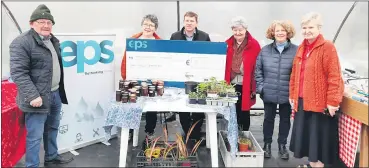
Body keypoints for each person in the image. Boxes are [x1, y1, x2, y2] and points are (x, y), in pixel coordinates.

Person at [9, 4, 73, 167]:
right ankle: (32, 165)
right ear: (32, 23)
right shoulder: (21, 43)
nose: (46, 25)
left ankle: (51, 156)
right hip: (36, 98)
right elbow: (18, 73)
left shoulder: (53, 40)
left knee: (52, 128)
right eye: (41, 22)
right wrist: (33, 95)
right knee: (34, 136)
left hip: (54, 94)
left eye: (49, 22)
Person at [288, 12, 344, 168]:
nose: (307, 31)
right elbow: (294, 74)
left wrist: (333, 102)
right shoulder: (301, 48)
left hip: (319, 105)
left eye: (311, 27)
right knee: (308, 141)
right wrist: (292, 94)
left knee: (317, 142)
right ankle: (313, 164)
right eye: (304, 28)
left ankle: (317, 165)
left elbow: (335, 77)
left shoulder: (327, 47)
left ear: (319, 28)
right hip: (302, 101)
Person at [254, 20, 298, 160]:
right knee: (268, 119)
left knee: (285, 120)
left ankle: (282, 146)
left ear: (288, 33)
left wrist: (294, 91)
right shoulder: (265, 50)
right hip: (269, 91)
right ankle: (267, 145)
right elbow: (258, 70)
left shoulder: (296, 51)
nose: (280, 33)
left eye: (283, 30)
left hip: (287, 93)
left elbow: (299, 72)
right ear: (272, 33)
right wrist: (262, 88)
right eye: (277, 30)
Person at [169, 11, 211, 143]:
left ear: (196, 23)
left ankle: (196, 132)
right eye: (187, 20)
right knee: (182, 105)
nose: (189, 23)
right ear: (184, 22)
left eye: (192, 21)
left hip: (199, 77)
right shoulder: (175, 36)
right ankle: (187, 131)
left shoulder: (204, 36)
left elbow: (210, 56)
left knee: (199, 105)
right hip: (181, 76)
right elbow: (170, 56)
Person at [120, 14, 161, 140]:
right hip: (134, 79)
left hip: (151, 80)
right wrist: (125, 76)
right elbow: (126, 59)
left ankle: (150, 131)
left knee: (151, 108)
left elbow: (162, 63)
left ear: (155, 28)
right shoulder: (133, 40)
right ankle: (130, 131)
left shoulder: (159, 43)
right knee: (132, 105)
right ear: (142, 25)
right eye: (146, 24)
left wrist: (159, 77)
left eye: (151, 25)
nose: (148, 27)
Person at [224, 16, 261, 132]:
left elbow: (257, 67)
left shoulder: (254, 44)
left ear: (245, 29)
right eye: (235, 30)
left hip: (246, 83)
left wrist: (254, 87)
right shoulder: (227, 44)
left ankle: (244, 134)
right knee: (231, 109)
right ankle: (231, 134)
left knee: (244, 110)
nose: (238, 32)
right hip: (230, 83)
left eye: (240, 29)